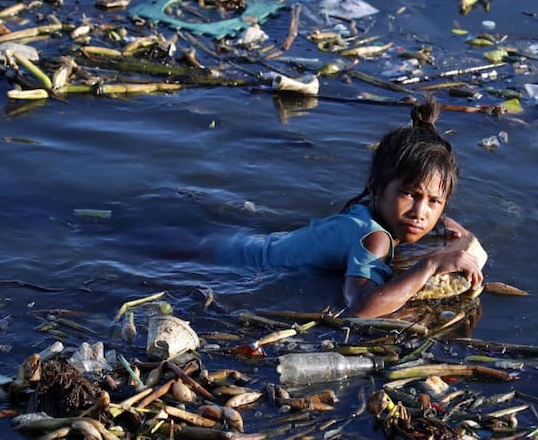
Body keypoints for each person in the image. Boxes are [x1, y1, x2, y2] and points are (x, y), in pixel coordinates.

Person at [203, 97, 483, 317]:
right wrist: (429, 265)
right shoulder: (376, 239)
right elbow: (362, 307)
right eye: (410, 195)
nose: (420, 213)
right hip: (235, 263)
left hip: (243, 245)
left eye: (434, 202)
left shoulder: (372, 210)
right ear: (376, 188)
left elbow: (425, 210)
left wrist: (446, 226)